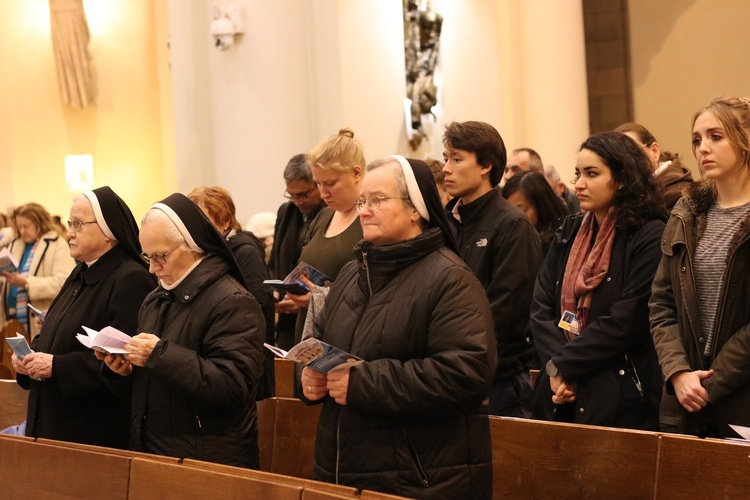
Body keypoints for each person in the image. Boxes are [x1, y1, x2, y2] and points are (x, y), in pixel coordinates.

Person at [301, 156, 496, 499]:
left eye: (378, 200)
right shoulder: (351, 274)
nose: (363, 211)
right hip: (342, 471)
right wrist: (308, 378)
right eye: (362, 200)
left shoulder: (450, 278)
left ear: (415, 209)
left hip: (418, 477)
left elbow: (465, 373)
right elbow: (324, 346)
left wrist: (362, 383)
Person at [100, 193, 265, 467]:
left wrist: (159, 355)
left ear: (193, 245)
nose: (152, 268)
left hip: (207, 460)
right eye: (147, 256)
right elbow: (154, 385)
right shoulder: (157, 298)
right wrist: (124, 371)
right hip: (156, 451)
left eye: (160, 256)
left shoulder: (233, 302)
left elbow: (233, 387)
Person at [531, 131, 665, 429]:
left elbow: (625, 320)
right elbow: (541, 307)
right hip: (558, 391)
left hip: (617, 393)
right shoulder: (570, 230)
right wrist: (556, 371)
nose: (579, 184)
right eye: (578, 173)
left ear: (621, 178)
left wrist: (563, 365)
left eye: (592, 174)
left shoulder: (648, 234)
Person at [12, 187, 155, 448]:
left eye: (78, 224)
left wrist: (56, 366)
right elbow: (55, 333)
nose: (69, 233)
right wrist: (29, 357)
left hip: (91, 432)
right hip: (54, 422)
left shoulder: (130, 279)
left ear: (108, 230)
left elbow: (122, 362)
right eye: (70, 223)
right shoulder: (80, 272)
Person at [650, 96, 750, 438]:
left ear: (745, 140)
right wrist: (678, 372)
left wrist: (712, 381)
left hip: (741, 396)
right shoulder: (687, 212)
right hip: (683, 397)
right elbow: (661, 305)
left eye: (715, 136)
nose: (702, 148)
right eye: (697, 139)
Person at [443, 121, 541, 417]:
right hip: (449, 369)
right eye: (446, 158)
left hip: (497, 376)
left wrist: (458, 351)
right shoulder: (446, 222)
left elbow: (506, 309)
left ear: (485, 165)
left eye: (457, 159)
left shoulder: (512, 224)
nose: (446, 168)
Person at [188, 186, 276, 399]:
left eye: (204, 219)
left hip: (246, 355)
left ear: (225, 221)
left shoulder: (244, 251)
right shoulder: (207, 251)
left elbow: (260, 305)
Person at [288, 128, 365, 344]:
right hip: (308, 329)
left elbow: (377, 294)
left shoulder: (372, 220)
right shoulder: (324, 215)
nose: (323, 194)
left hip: (345, 338)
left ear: (356, 173)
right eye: (319, 184)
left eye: (330, 183)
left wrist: (321, 297)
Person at [269, 153, 325, 351]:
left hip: (318, 317)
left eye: (303, 194)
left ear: (318, 184)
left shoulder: (331, 214)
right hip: (286, 324)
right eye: (291, 195)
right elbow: (275, 262)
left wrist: (304, 300)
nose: (298, 201)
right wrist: (275, 294)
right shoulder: (286, 212)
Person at [1, 203, 75, 338]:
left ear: (40, 223)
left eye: (27, 226)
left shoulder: (56, 244)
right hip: (12, 319)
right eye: (19, 227)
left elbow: (64, 283)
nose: (22, 231)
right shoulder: (15, 244)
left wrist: (27, 283)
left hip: (40, 321)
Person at [615, 122, 694, 210]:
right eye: (620, 157)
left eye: (633, 151)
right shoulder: (625, 191)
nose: (627, 160)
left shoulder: (677, 194)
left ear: (654, 151)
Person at [502, 170, 568, 257]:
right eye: (509, 212)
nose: (513, 218)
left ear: (541, 206)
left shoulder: (558, 242)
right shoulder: (508, 238)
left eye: (521, 211)